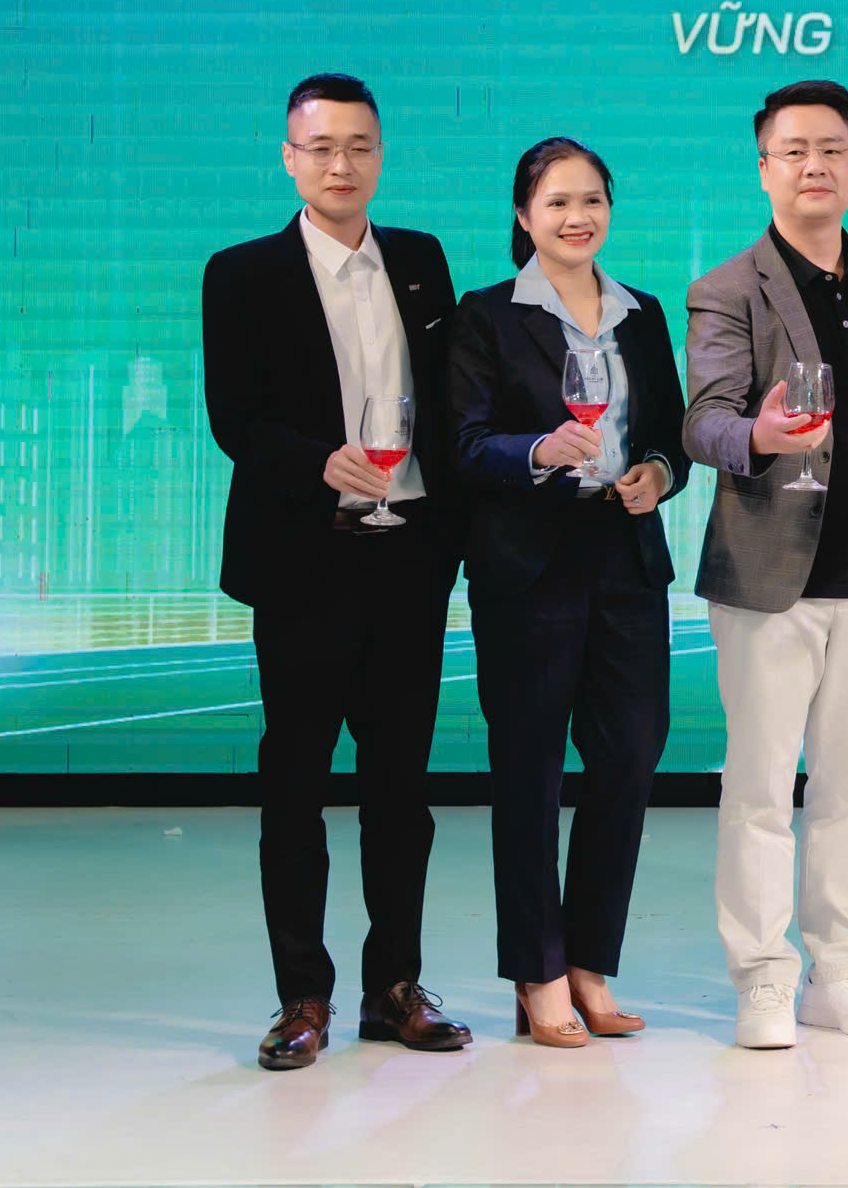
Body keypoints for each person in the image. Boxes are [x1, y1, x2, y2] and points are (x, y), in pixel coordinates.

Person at [200, 72, 473, 1071]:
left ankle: (394, 986)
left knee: (401, 789)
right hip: (303, 563)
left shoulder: (421, 260)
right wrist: (319, 462)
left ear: (380, 155)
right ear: (289, 157)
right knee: (296, 788)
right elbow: (235, 417)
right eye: (320, 147)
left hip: (409, 561)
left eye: (359, 145)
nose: (341, 163)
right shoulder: (241, 273)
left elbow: (448, 402)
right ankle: (301, 996)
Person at [683, 80, 848, 1050]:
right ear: (764, 168)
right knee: (758, 787)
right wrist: (758, 433)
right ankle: (760, 975)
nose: (814, 166)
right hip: (769, 577)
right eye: (793, 151)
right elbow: (703, 421)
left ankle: (842, 972)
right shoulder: (728, 287)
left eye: (831, 149)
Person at [448, 138, 691, 1048]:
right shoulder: (486, 316)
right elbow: (464, 444)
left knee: (630, 759)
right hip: (529, 565)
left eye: (591, 200)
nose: (576, 217)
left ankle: (591, 962)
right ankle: (538, 972)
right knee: (531, 772)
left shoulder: (641, 313)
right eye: (556, 203)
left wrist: (659, 473)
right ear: (524, 215)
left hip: (625, 553)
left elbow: (669, 432)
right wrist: (539, 451)